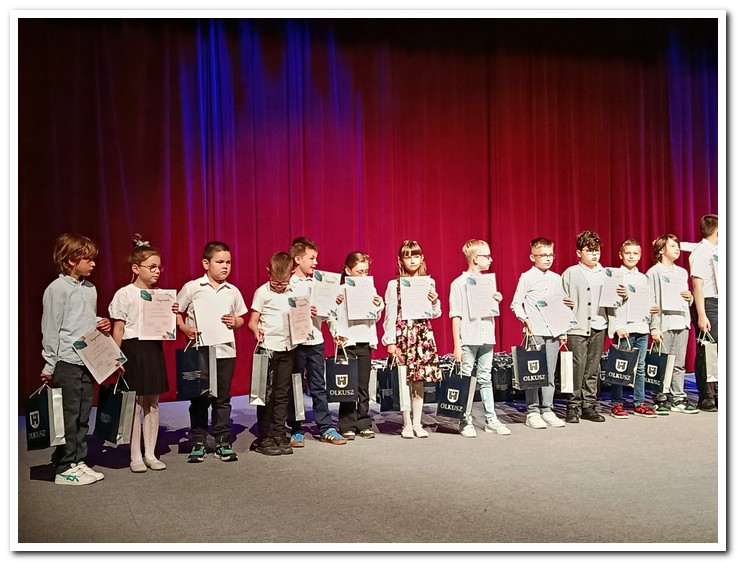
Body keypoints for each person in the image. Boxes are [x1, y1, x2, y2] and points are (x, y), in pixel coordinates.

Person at [40, 233, 109, 485]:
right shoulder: (57, 289)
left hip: (87, 360)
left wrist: (100, 322)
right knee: (68, 415)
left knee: (82, 413)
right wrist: (50, 364)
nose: (93, 264)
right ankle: (64, 466)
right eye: (87, 259)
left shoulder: (90, 289)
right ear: (71, 260)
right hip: (66, 361)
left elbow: (83, 320)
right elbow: (51, 328)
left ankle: (78, 460)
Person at [176, 241, 248, 462]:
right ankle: (198, 440)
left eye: (228, 262)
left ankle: (222, 440)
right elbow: (176, 311)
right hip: (200, 353)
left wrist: (235, 321)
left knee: (222, 398)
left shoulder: (232, 291)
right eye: (220, 262)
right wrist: (184, 328)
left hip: (226, 351)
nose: (225, 266)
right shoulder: (193, 287)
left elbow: (241, 318)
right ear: (206, 264)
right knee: (199, 398)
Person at [109, 234, 174, 473]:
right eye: (152, 267)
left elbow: (167, 326)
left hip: (153, 349)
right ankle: (135, 454)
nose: (157, 272)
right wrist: (115, 357)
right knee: (135, 403)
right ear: (136, 268)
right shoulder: (124, 294)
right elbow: (118, 328)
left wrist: (171, 313)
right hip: (132, 349)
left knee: (153, 402)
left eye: (159, 267)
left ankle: (150, 453)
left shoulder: (160, 296)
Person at [286, 237, 346, 447]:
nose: (316, 263)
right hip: (295, 343)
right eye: (311, 258)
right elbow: (282, 312)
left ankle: (326, 427)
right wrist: (301, 311)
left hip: (316, 341)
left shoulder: (318, 284)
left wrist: (336, 331)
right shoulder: (288, 285)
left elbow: (329, 315)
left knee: (319, 385)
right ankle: (296, 428)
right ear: (297, 259)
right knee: (295, 385)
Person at [449, 239, 511, 437]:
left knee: (485, 378)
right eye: (487, 256)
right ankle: (464, 420)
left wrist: (496, 299)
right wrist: (457, 345)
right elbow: (455, 315)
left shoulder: (487, 283)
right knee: (466, 379)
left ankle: (491, 419)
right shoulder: (458, 283)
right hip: (468, 337)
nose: (491, 259)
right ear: (476, 259)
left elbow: (488, 309)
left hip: (486, 336)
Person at [561, 230, 624, 423]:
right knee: (577, 366)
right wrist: (564, 311)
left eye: (597, 250)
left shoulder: (607, 273)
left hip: (599, 324)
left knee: (593, 368)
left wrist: (623, 295)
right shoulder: (571, 273)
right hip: (577, 327)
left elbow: (614, 301)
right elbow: (561, 299)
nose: (594, 254)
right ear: (579, 252)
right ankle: (573, 405)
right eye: (589, 251)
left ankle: (589, 405)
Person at [382, 240, 442, 439]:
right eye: (408, 257)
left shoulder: (428, 282)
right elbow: (390, 314)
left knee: (419, 381)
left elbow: (435, 314)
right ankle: (406, 423)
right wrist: (390, 341)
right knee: (404, 380)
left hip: (422, 335)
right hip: (403, 335)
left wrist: (435, 301)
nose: (412, 260)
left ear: (422, 258)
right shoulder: (394, 284)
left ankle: (417, 422)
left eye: (416, 256)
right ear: (401, 260)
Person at [510, 238, 568, 429]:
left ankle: (547, 409)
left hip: (553, 332)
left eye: (551, 255)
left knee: (550, 372)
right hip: (534, 332)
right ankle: (532, 411)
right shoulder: (527, 277)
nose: (548, 258)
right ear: (532, 257)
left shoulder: (556, 278)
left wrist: (563, 330)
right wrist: (525, 319)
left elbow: (559, 305)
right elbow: (516, 304)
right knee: (534, 372)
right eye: (543, 255)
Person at [248, 252, 298, 456]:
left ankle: (279, 433)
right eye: (275, 282)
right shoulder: (262, 292)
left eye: (283, 283)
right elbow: (253, 321)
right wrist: (255, 330)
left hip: (288, 348)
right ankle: (265, 436)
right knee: (265, 395)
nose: (278, 286)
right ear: (268, 272)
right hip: (267, 348)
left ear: (291, 273)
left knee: (282, 393)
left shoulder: (294, 292)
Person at [331, 252, 385, 439]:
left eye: (366, 272)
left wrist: (378, 305)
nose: (363, 275)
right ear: (348, 270)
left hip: (364, 341)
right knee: (347, 385)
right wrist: (336, 333)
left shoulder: (370, 288)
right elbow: (332, 316)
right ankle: (347, 423)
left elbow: (374, 316)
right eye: (359, 271)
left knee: (363, 385)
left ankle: (363, 422)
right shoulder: (340, 290)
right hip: (347, 343)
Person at [604, 239, 660, 419]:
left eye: (635, 253)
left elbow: (647, 301)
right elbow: (610, 304)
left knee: (640, 367)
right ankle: (616, 403)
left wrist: (653, 312)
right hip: (624, 329)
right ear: (621, 255)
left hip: (641, 327)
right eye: (628, 253)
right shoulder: (615, 275)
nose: (631, 256)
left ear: (640, 255)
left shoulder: (643, 278)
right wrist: (617, 326)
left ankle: (639, 402)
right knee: (620, 366)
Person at [646, 235, 698, 415]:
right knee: (662, 362)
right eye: (673, 246)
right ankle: (660, 398)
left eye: (677, 246)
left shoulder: (682, 272)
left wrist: (690, 298)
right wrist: (654, 327)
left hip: (681, 322)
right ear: (661, 250)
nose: (677, 249)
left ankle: (678, 397)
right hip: (664, 323)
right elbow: (651, 300)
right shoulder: (654, 272)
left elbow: (686, 296)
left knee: (679, 363)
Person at [689, 214, 719, 412]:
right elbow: (697, 286)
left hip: (720, 301)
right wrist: (701, 314)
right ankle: (705, 396)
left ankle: (718, 392)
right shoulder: (700, 252)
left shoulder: (716, 250)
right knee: (707, 350)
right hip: (708, 304)